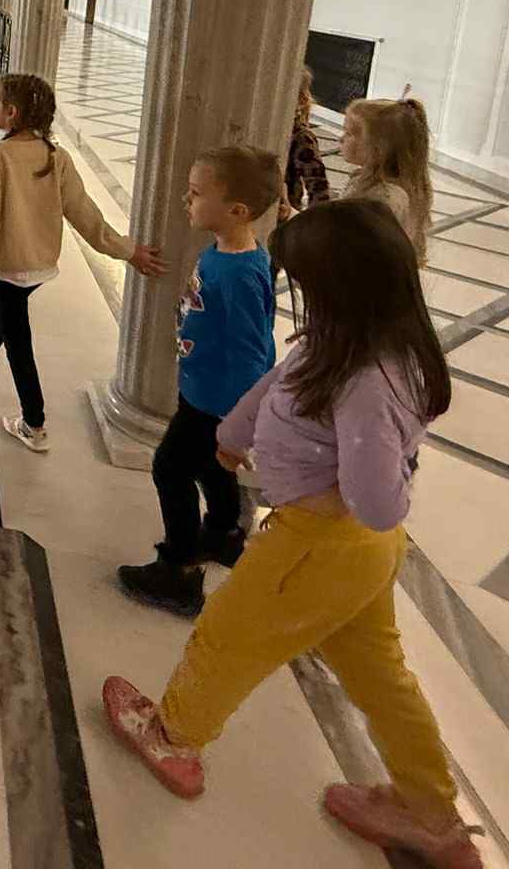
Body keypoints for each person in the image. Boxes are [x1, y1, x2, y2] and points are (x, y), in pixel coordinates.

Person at [101, 198, 478, 869]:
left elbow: (377, 502)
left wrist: (328, 493)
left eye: (303, 284)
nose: (296, 296)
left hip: (317, 542)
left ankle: (174, 737)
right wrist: (234, 433)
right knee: (378, 673)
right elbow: (282, 379)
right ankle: (430, 809)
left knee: (229, 637)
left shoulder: (366, 379)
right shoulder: (353, 344)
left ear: (341, 289)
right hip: (355, 555)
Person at [0, 74, 164, 451]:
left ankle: (33, 423)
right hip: (39, 266)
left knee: (17, 341)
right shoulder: (56, 157)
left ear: (11, 113)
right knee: (3, 315)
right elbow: (86, 215)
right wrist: (126, 250)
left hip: (8, 265)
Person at [117, 145, 281, 617]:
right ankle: (224, 533)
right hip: (203, 387)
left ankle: (179, 570)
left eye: (195, 193)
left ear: (237, 210)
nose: (185, 201)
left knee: (170, 467)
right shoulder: (226, 252)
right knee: (211, 467)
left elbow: (252, 352)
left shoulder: (240, 274)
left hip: (217, 400)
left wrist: (239, 421)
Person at [343, 95, 433, 264]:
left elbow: (353, 242)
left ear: (377, 148)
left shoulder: (386, 198)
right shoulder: (363, 180)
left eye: (349, 133)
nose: (341, 139)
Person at [283, 66, 332, 219]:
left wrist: (314, 224)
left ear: (301, 101)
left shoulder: (301, 137)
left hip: (282, 214)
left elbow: (318, 188)